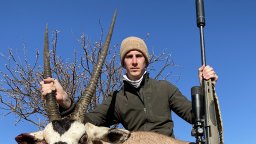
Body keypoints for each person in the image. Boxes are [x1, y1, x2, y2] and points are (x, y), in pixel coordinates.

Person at [41, 36, 218, 137]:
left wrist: (206, 90)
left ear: (146, 61)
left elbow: (195, 116)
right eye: (129, 56)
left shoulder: (165, 88)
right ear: (123, 63)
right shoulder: (117, 98)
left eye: (138, 56)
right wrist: (65, 101)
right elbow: (86, 121)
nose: (134, 61)